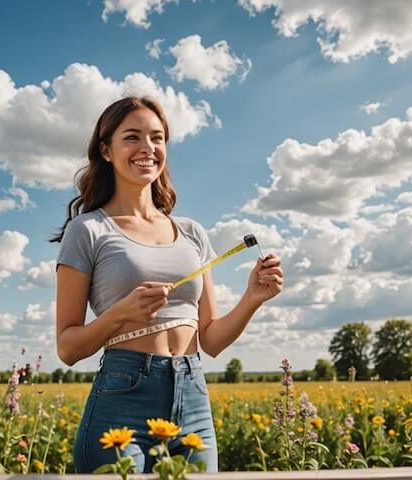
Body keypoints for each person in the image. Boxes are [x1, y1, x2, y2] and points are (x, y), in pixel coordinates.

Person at [53, 96, 283, 474]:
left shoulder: (191, 232)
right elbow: (67, 348)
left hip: (193, 395)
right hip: (122, 398)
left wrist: (252, 298)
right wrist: (120, 315)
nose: (147, 148)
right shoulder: (87, 230)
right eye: (132, 137)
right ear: (106, 151)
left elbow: (210, 339)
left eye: (157, 138)